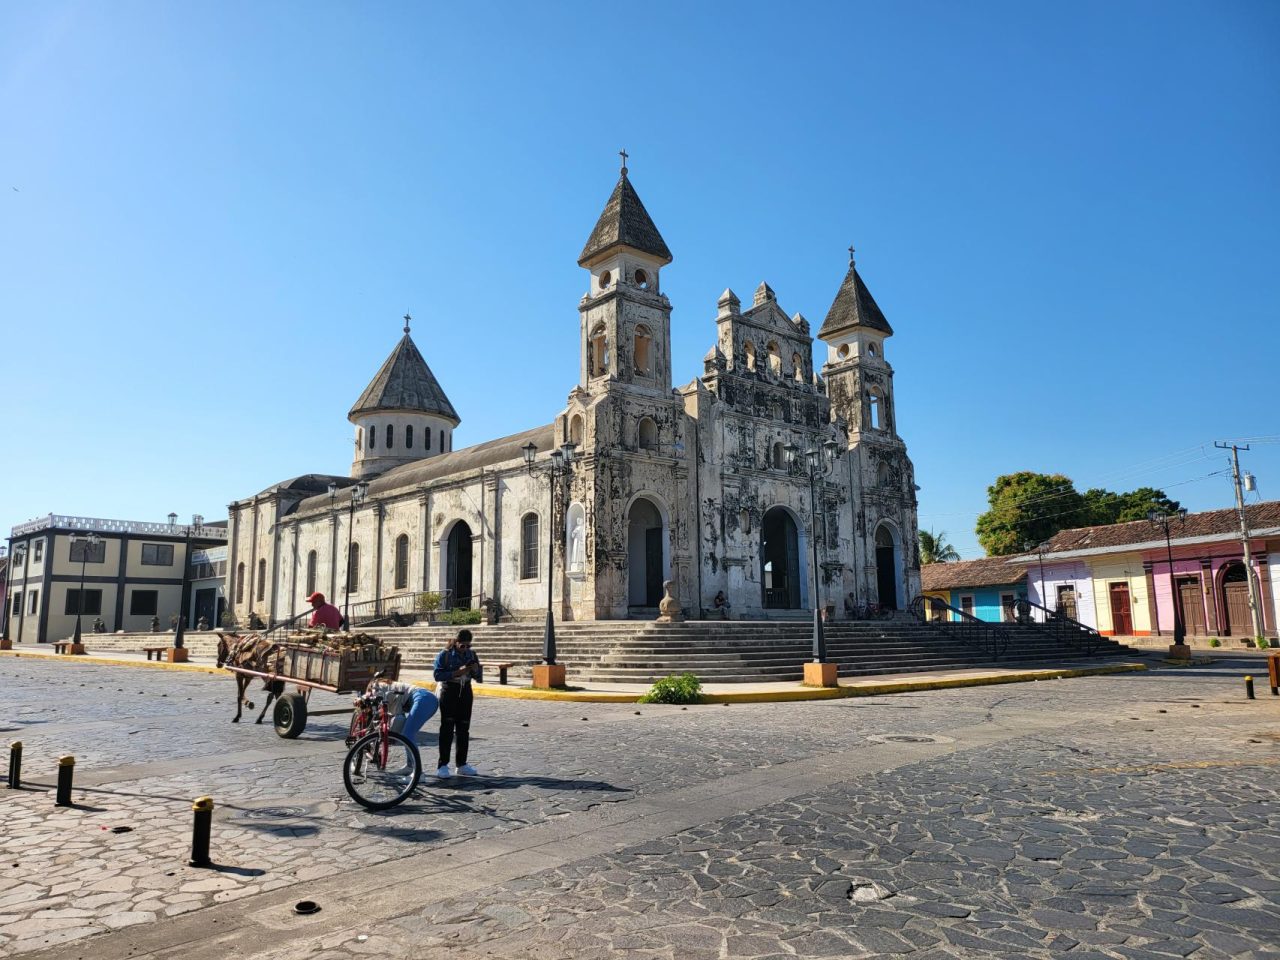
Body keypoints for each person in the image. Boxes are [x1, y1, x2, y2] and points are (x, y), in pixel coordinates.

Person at [432, 628, 483, 778]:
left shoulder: (472, 655)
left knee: (464, 728)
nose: (465, 649)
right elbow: (437, 675)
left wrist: (474, 670)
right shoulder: (445, 655)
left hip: (466, 690)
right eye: (463, 646)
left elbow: (479, 677)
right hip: (450, 690)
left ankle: (462, 764)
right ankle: (443, 765)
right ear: (456, 643)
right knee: (447, 727)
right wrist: (457, 672)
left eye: (469, 646)